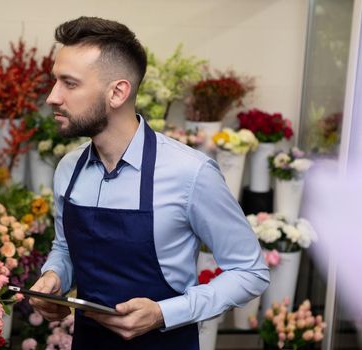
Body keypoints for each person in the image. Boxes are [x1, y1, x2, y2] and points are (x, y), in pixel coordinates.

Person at [29, 16, 269, 349]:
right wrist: (54, 276)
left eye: (69, 83)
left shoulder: (191, 173)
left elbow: (250, 272)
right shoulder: (69, 169)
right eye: (55, 81)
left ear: (117, 92)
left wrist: (164, 313)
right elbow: (66, 248)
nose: (52, 97)